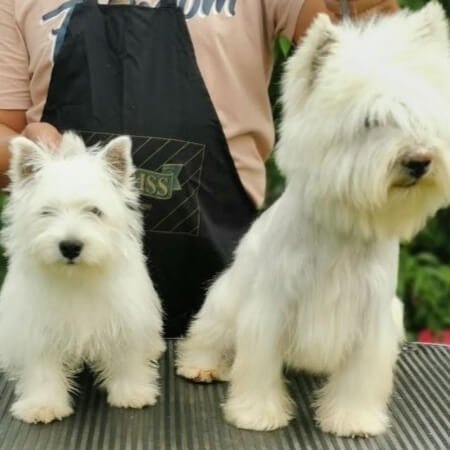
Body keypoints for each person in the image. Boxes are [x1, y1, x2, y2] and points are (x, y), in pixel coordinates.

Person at [0, 0, 398, 337]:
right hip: (59, 324)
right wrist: (27, 153)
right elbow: (6, 130)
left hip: (225, 306)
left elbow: (360, 53)